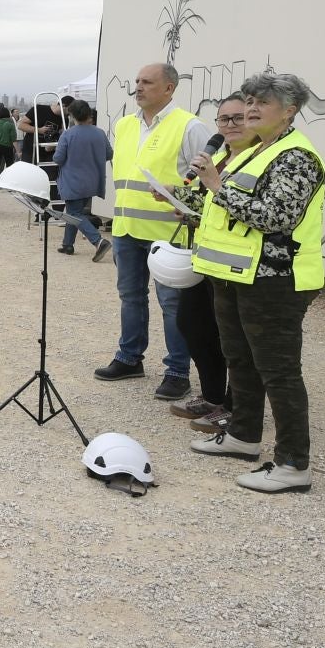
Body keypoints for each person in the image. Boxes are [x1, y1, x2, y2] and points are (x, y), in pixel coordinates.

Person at [184, 71, 325, 494]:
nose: (249, 109)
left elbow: (276, 217)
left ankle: (292, 463)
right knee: (239, 359)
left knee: (279, 371)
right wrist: (191, 196)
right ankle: (244, 435)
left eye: (261, 102)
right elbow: (225, 206)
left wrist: (215, 185)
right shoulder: (255, 151)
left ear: (289, 110)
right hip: (236, 275)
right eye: (248, 101)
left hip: (277, 280)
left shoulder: (297, 157)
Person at [97, 63, 213, 401]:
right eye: (136, 81)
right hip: (127, 228)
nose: (139, 87)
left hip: (169, 234)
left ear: (169, 88)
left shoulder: (190, 127)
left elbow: (212, 178)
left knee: (173, 304)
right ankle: (129, 357)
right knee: (130, 297)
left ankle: (177, 371)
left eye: (147, 82)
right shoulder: (124, 125)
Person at [160, 93, 258, 432]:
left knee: (234, 340)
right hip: (208, 260)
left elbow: (249, 211)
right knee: (193, 325)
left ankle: (234, 406)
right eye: (223, 119)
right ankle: (213, 396)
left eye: (238, 118)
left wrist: (213, 184)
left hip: (241, 265)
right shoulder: (221, 156)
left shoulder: (259, 159)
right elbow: (212, 203)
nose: (229, 126)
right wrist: (180, 197)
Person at [52, 104, 113, 260]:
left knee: (74, 213)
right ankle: (68, 244)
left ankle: (98, 241)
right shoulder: (99, 133)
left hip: (73, 182)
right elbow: (109, 154)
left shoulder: (68, 134)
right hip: (93, 181)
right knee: (74, 211)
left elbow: (58, 159)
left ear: (72, 115)